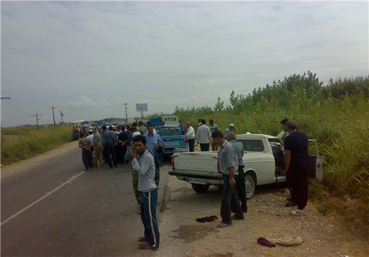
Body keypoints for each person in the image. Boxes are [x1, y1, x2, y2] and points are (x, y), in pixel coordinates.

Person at [130, 135, 160, 251]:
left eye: (139, 145)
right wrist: (133, 156)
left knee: (151, 219)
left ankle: (154, 243)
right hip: (144, 192)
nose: (137, 147)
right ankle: (148, 237)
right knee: (144, 217)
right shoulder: (140, 155)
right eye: (135, 145)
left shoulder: (147, 156)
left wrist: (134, 160)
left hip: (149, 192)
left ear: (145, 145)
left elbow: (141, 172)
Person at [212, 130, 244, 227]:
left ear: (218, 138)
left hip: (232, 175)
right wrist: (224, 173)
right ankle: (239, 214)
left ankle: (226, 220)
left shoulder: (228, 148)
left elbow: (232, 164)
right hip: (227, 174)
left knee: (225, 197)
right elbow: (225, 163)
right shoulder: (222, 147)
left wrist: (231, 177)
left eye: (214, 139)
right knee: (233, 195)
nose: (213, 141)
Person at [284, 120, 309, 216]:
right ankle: (304, 205)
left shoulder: (289, 139)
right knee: (304, 185)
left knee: (297, 187)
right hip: (305, 163)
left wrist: (287, 167)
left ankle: (301, 208)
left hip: (295, 166)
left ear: (287, 127)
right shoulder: (304, 136)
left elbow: (287, 155)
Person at [226, 132, 247, 213]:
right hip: (241, 167)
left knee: (232, 189)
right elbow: (241, 154)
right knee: (242, 188)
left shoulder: (227, 145)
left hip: (233, 169)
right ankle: (244, 207)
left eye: (227, 137)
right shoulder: (240, 144)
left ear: (230, 137)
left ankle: (234, 208)